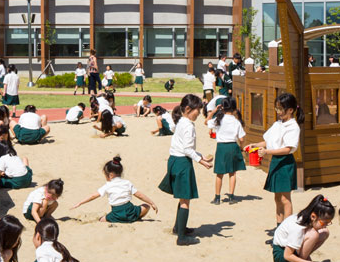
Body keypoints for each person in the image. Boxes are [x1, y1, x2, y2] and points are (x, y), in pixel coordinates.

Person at [158, 94, 212, 245]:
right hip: (182, 163)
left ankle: (178, 227)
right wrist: (201, 161)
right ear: (188, 109)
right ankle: (181, 237)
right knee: (185, 200)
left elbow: (184, 147)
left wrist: (201, 156)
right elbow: (188, 149)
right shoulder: (188, 125)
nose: (199, 114)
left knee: (182, 196)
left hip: (174, 159)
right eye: (197, 111)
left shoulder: (181, 121)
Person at [68, 155, 157, 223]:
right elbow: (140, 195)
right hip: (130, 211)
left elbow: (93, 196)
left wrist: (80, 203)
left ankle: (118, 219)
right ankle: (135, 218)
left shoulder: (107, 186)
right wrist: (151, 203)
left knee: (101, 220)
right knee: (146, 207)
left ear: (110, 175)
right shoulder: (127, 183)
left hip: (116, 214)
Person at [258, 91, 302, 225]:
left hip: (285, 163)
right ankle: (279, 226)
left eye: (281, 109)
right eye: (277, 108)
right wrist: (255, 145)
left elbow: (288, 149)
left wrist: (267, 152)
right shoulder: (278, 124)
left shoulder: (293, 127)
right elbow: (269, 141)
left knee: (285, 199)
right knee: (277, 197)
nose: (278, 112)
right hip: (276, 161)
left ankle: (287, 227)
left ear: (290, 110)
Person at [272, 194, 335, 262]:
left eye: (328, 223)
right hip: (282, 257)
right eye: (324, 222)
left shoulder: (305, 218)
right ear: (313, 216)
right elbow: (287, 255)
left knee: (324, 232)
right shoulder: (297, 227)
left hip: (288, 251)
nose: (325, 225)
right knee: (314, 234)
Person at [211, 97, 246, 204]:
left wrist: (214, 111)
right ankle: (231, 196)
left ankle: (217, 197)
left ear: (222, 107)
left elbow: (206, 122)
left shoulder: (218, 119)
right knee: (232, 173)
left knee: (219, 173)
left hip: (221, 147)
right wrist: (241, 147)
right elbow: (241, 138)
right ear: (235, 108)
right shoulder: (236, 122)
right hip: (232, 146)